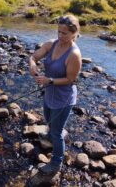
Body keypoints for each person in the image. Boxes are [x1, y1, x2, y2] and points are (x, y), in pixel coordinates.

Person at [29, 14, 82, 175]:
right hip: (48, 92)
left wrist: (49, 80)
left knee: (56, 132)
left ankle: (56, 163)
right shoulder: (51, 44)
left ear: (74, 33)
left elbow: (71, 80)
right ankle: (52, 137)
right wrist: (32, 65)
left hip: (64, 98)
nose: (60, 36)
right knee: (49, 122)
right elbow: (34, 56)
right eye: (58, 31)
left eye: (64, 33)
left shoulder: (74, 54)